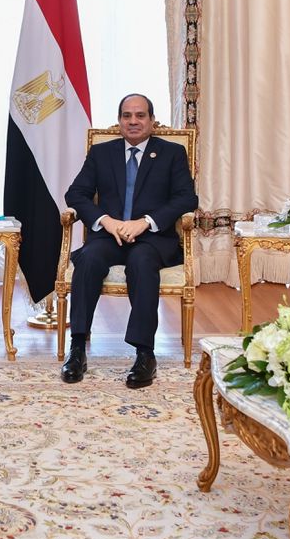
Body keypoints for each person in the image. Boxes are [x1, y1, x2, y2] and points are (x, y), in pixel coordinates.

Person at [61, 93, 199, 388]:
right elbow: (76, 194)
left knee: (142, 262)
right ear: (119, 120)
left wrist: (145, 222)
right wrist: (106, 220)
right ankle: (77, 348)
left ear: (152, 120)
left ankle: (145, 354)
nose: (133, 121)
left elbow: (186, 198)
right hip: (110, 235)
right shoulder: (102, 153)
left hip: (151, 239)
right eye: (127, 116)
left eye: (140, 115)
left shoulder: (172, 153)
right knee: (88, 259)